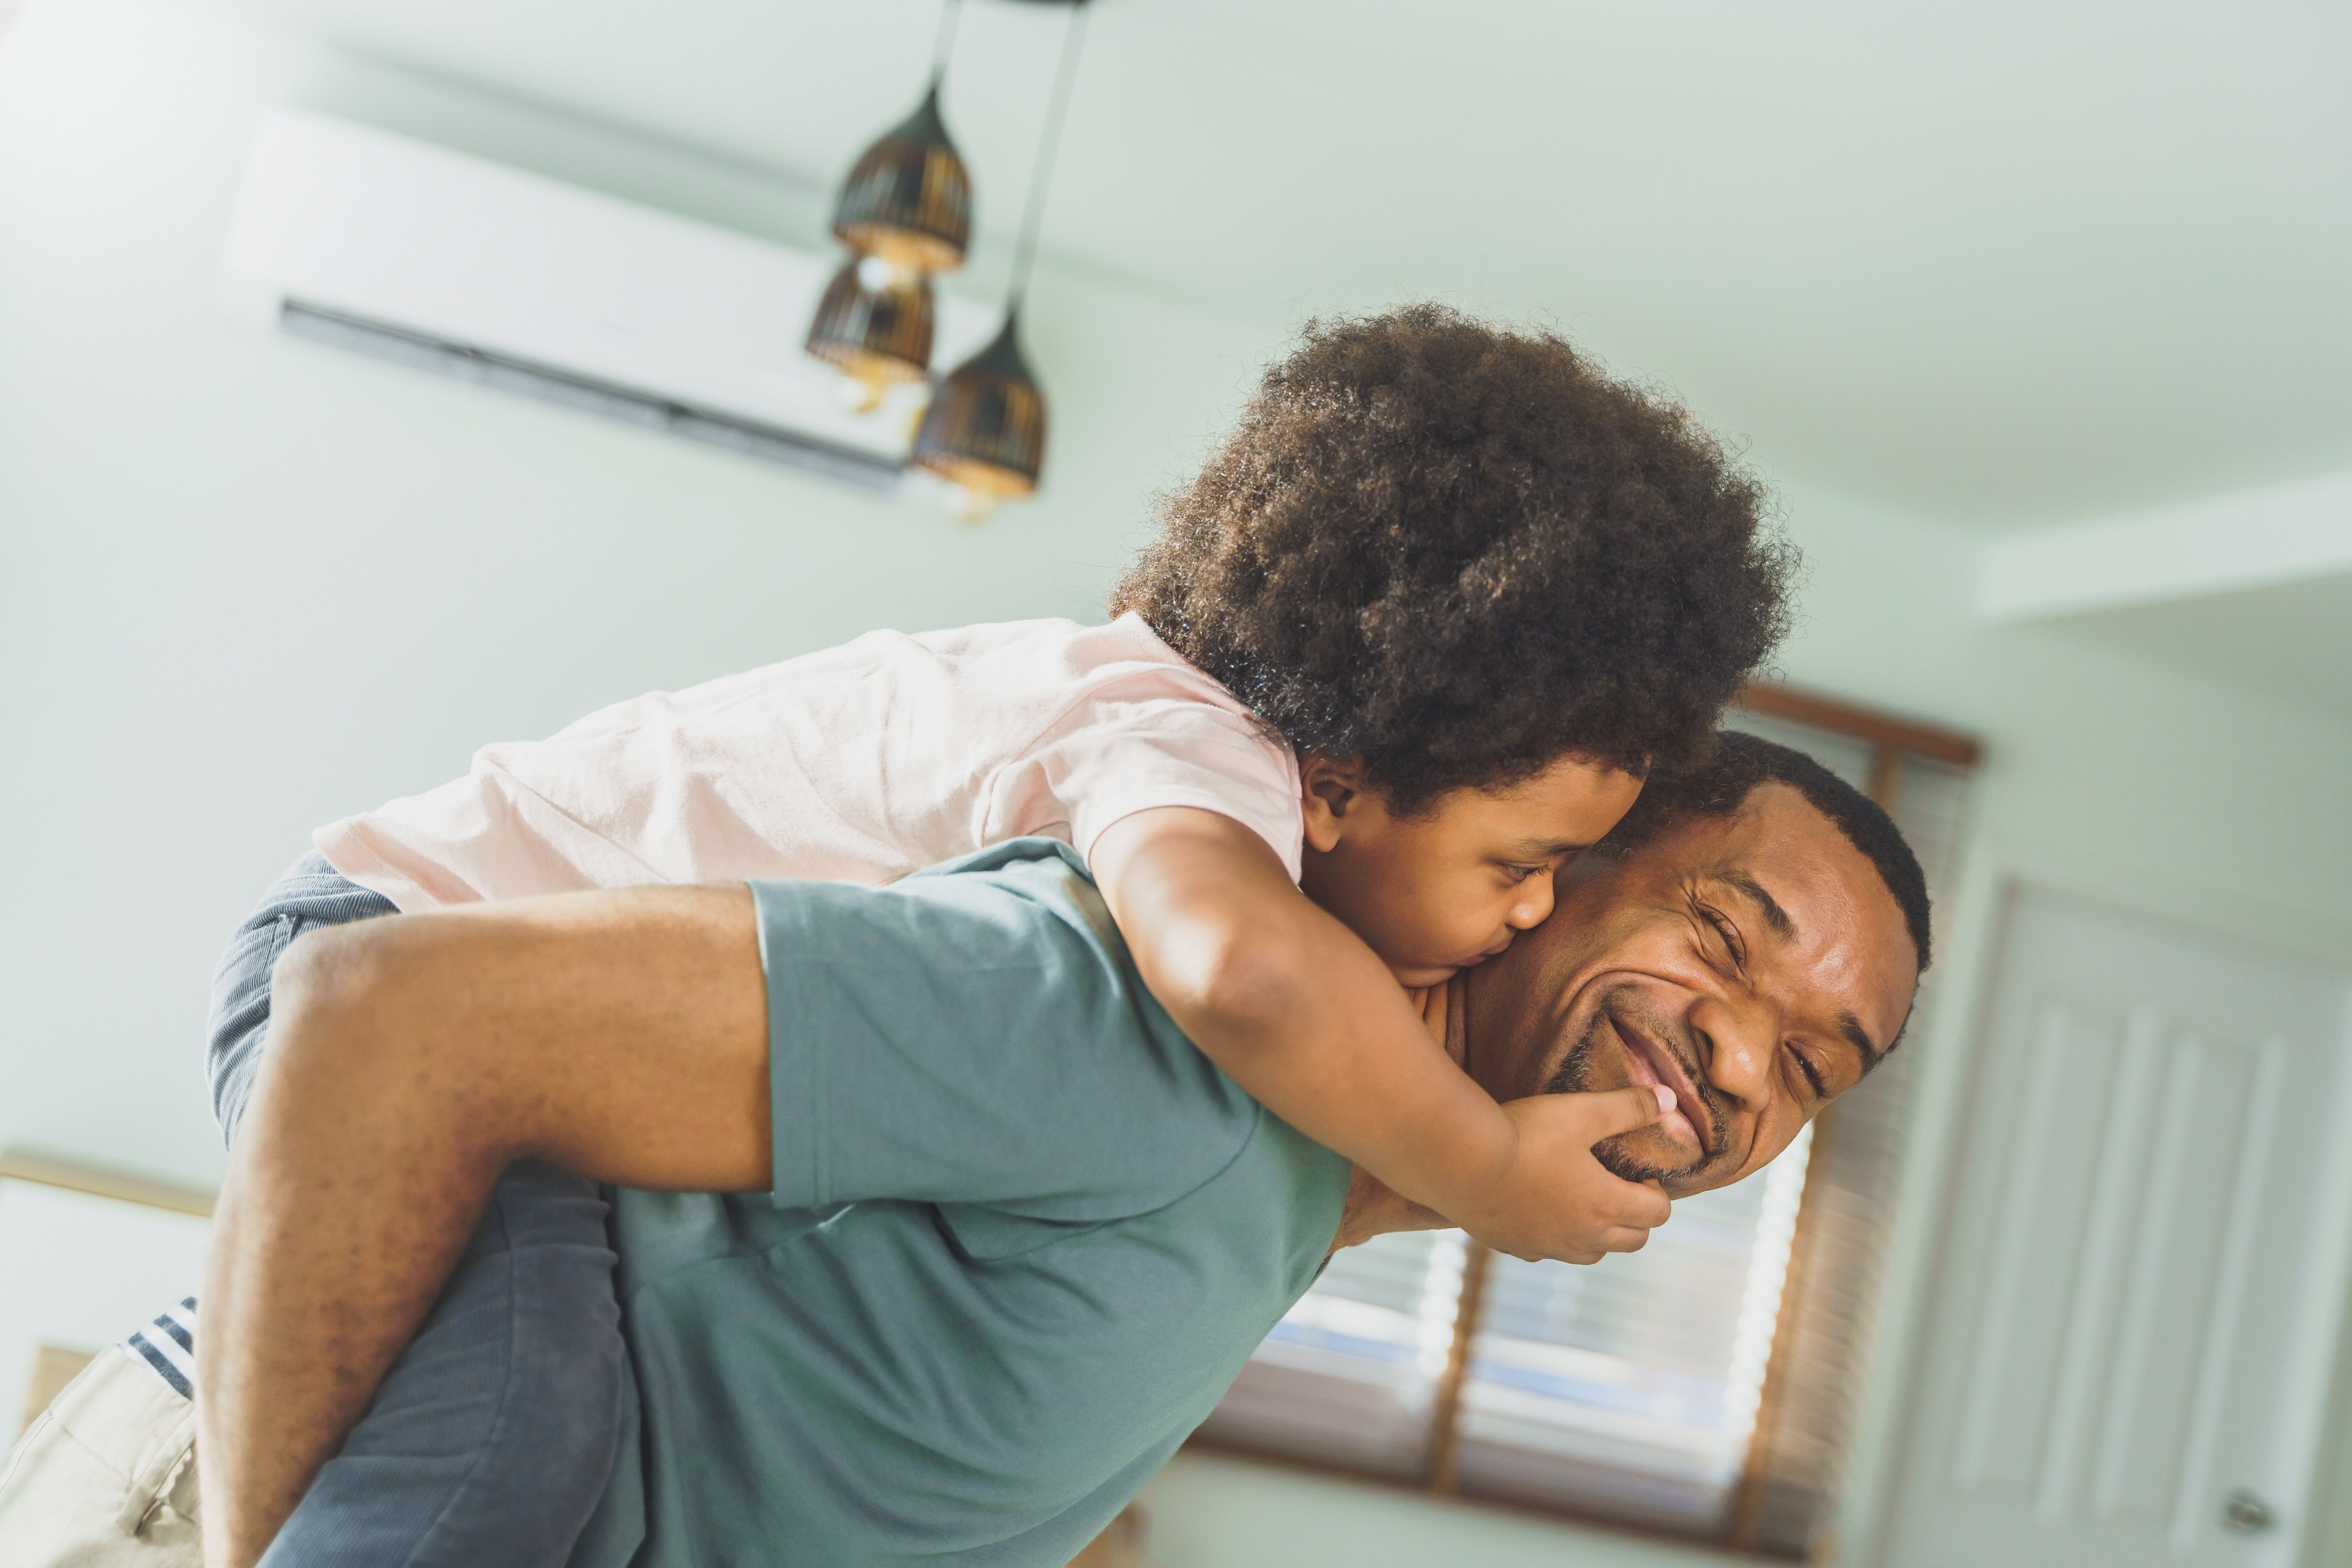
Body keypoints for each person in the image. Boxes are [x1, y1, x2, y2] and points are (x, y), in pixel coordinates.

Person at [81, 306, 1789, 1566]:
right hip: (401, 946)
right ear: (1348, 778)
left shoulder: (1186, 765)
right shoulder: (1189, 774)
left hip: (454, 1004)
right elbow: (1246, 973)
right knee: (494, 1474)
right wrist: (1489, 1166)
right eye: (1525, 860)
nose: (1531, 910)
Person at [0, 732, 1929, 1567]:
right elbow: (386, 1015)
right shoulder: (1149, 1041)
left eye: (1816, 1062)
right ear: (1558, 869)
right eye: (1726, 936)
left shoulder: (1327, 1177)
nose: (1738, 1054)